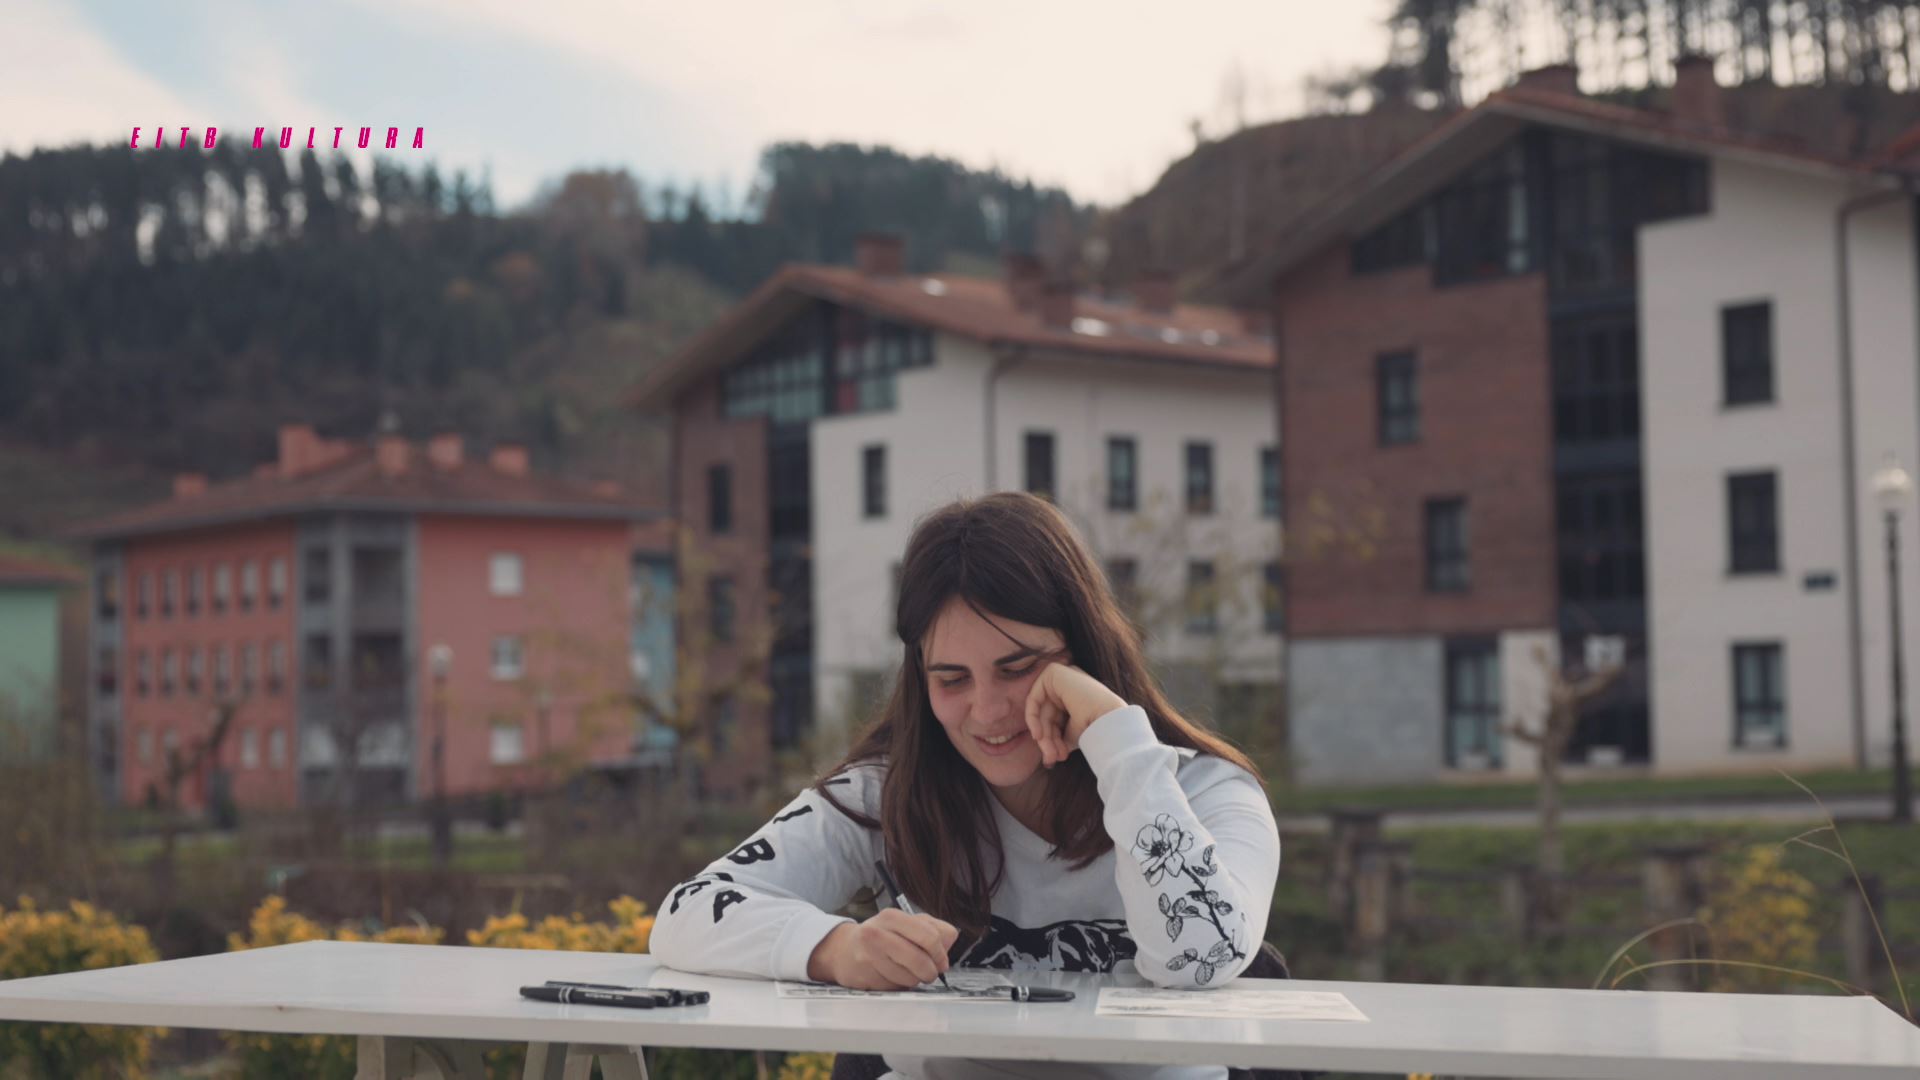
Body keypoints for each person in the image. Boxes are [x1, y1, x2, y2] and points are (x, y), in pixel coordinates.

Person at [652, 493, 1282, 1080]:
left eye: (1019, 668)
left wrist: (1118, 743)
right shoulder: (885, 794)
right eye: (952, 679)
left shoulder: (1210, 792)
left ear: (1084, 652)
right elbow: (689, 911)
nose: (987, 711)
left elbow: (1202, 957)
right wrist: (834, 948)